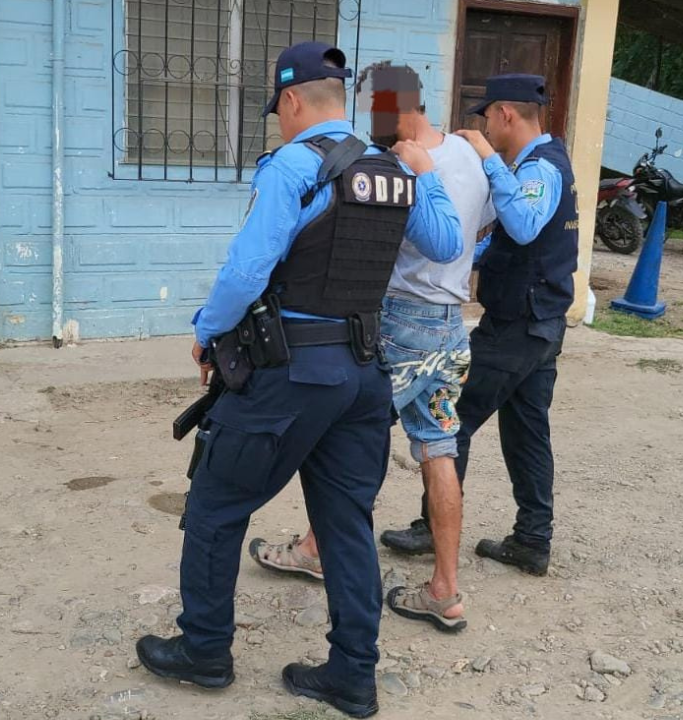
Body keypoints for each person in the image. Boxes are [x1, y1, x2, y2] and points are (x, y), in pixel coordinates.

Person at [133, 42, 462, 719]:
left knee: (216, 505)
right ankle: (352, 676)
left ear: (290, 100)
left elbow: (247, 271)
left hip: (292, 374)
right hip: (363, 376)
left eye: (277, 110)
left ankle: (204, 651)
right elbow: (447, 244)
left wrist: (207, 330)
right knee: (346, 523)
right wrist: (425, 173)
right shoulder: (392, 171)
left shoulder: (292, 165)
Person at [247, 62, 495, 634]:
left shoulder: (401, 166)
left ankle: (316, 551)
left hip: (400, 319)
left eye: (374, 108)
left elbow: (407, 235)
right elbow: (481, 227)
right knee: (439, 448)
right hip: (452, 322)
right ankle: (445, 590)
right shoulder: (469, 155)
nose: (369, 121)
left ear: (394, 104)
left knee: (346, 433)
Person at [380, 73, 579, 577]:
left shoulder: (539, 167)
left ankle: (432, 530)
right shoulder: (538, 163)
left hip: (518, 325)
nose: (485, 126)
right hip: (540, 322)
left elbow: (524, 225)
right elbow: (506, 236)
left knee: (449, 421)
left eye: (488, 116)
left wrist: (488, 158)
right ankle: (532, 540)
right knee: (527, 432)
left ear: (505, 114)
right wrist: (468, 254)